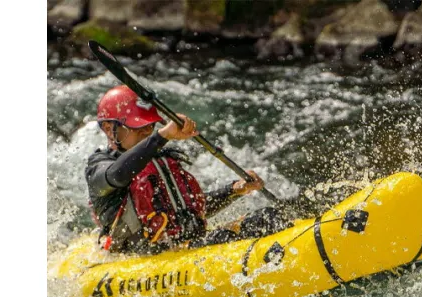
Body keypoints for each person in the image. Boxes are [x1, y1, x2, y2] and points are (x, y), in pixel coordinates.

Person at [85, 85, 288, 254]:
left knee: (269, 217)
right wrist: (162, 136)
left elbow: (190, 209)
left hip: (184, 247)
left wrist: (235, 190)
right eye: (138, 127)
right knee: (224, 238)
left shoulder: (161, 160)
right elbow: (117, 175)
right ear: (108, 129)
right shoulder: (99, 167)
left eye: (150, 127)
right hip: (143, 259)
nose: (147, 132)